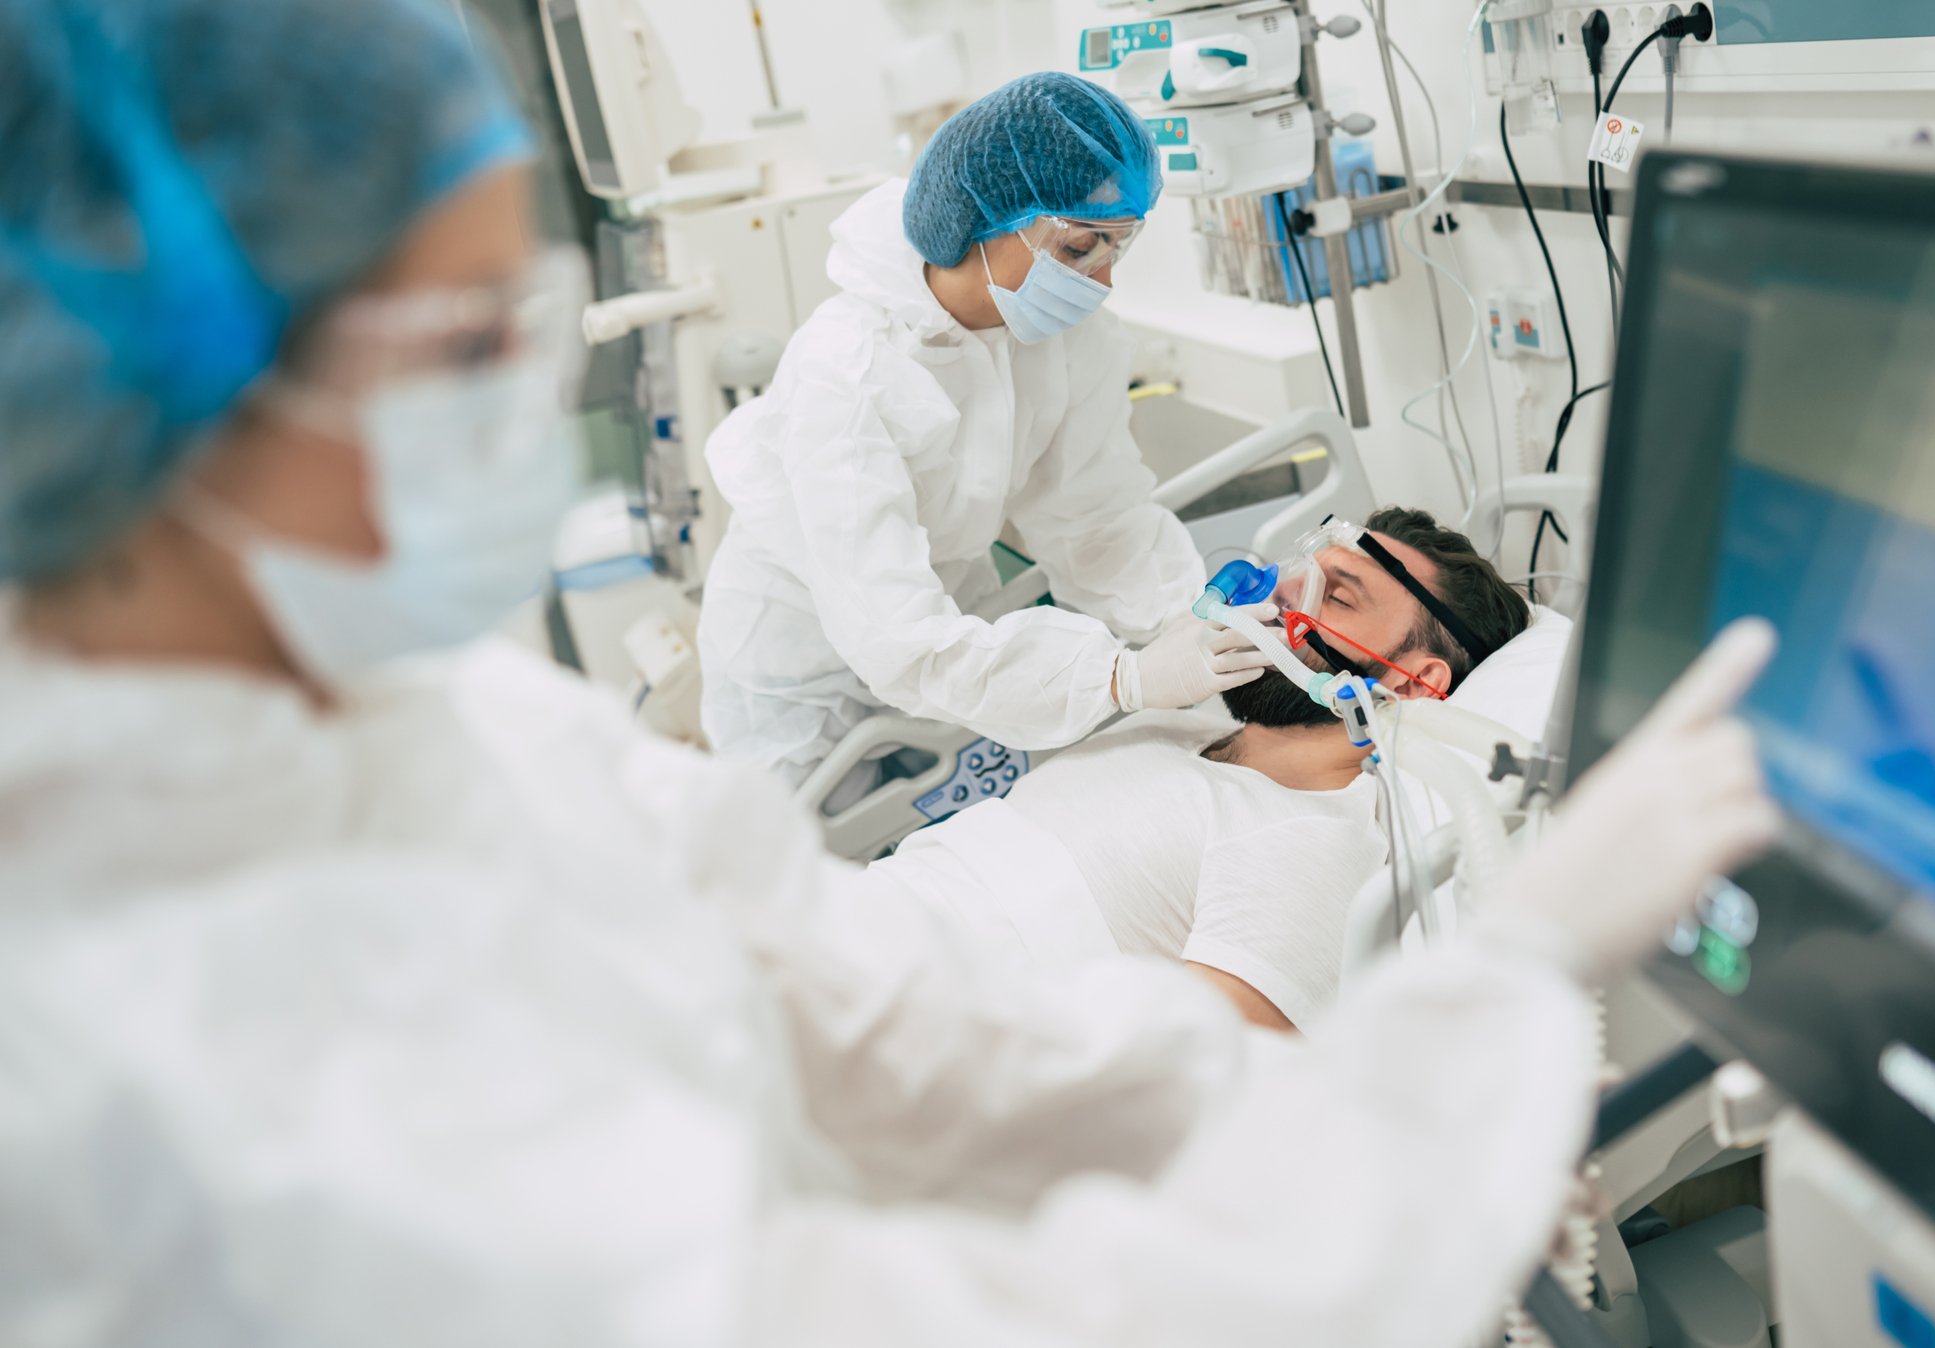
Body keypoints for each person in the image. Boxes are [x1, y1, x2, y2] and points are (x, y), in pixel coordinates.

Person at [0, 2, 1785, 1342]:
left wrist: (1360, 1092)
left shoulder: (439, 725)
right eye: (474, 342)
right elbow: (1029, 1304)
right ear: (175, 383)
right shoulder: (158, 1052)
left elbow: (860, 1000)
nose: (519, 404)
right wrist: (1479, 1020)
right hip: (836, 678)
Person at [693, 71, 1271, 793]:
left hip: (947, 648)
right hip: (802, 683)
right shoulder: (847, 371)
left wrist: (1200, 622)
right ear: (983, 224)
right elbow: (897, 638)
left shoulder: (1066, 337)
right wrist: (1121, 677)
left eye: (1115, 249)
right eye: (1079, 248)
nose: (1102, 281)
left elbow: (1097, 521)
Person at [858, 507, 1535, 1032]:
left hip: (904, 1025)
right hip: (854, 928)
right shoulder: (1178, 723)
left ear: (1413, 684)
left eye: (1338, 597)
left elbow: (1191, 1091)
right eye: (1301, 573)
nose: (1277, 599)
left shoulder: (1309, 837)